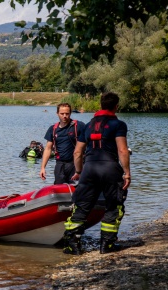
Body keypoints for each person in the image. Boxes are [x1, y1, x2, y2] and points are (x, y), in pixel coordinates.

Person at [63, 92, 130, 255]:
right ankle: (106, 245)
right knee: (113, 206)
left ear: (100, 105)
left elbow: (77, 153)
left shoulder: (88, 125)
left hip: (89, 169)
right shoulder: (118, 125)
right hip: (110, 169)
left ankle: (73, 245)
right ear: (116, 106)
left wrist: (79, 171)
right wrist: (127, 173)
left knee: (82, 206)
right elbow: (122, 150)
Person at [40, 103, 86, 184]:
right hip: (60, 164)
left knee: (77, 190)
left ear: (70, 113)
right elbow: (48, 149)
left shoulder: (79, 126)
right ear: (57, 113)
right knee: (58, 189)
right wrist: (43, 168)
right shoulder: (53, 129)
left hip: (75, 164)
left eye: (67, 113)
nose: (64, 116)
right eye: (62, 113)